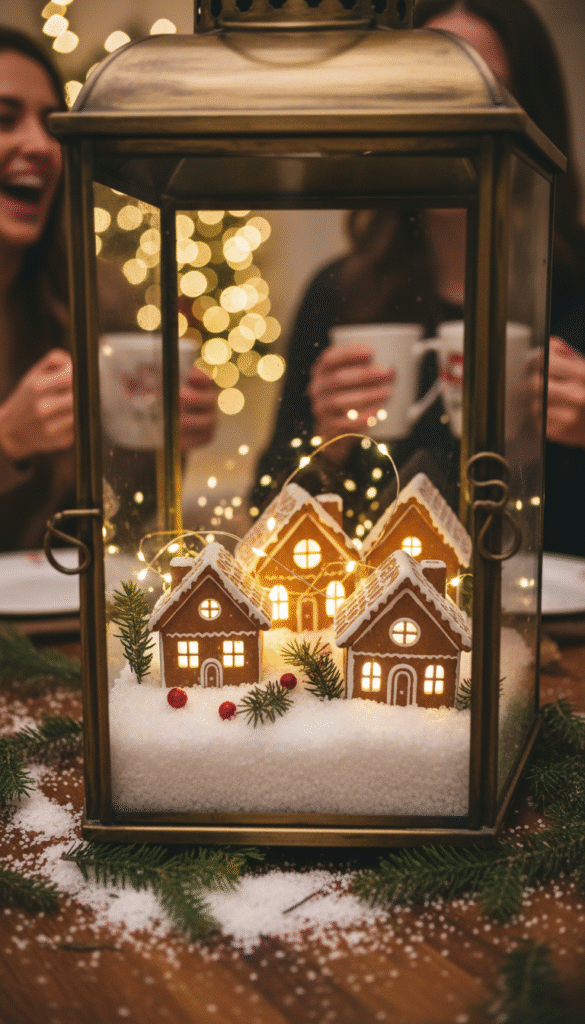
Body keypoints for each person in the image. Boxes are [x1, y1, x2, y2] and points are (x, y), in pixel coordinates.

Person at [251, 0, 585, 556]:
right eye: (431, 89)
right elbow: (267, 526)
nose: (457, 119)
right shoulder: (339, 294)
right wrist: (325, 446)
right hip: (386, 627)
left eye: (487, 92)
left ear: (535, 116)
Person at [0, 28, 217, 554]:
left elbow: (132, 511)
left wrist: (165, 435)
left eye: (54, 126)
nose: (42, 145)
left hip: (61, 613)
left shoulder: (98, 295)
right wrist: (6, 443)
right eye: (5, 119)